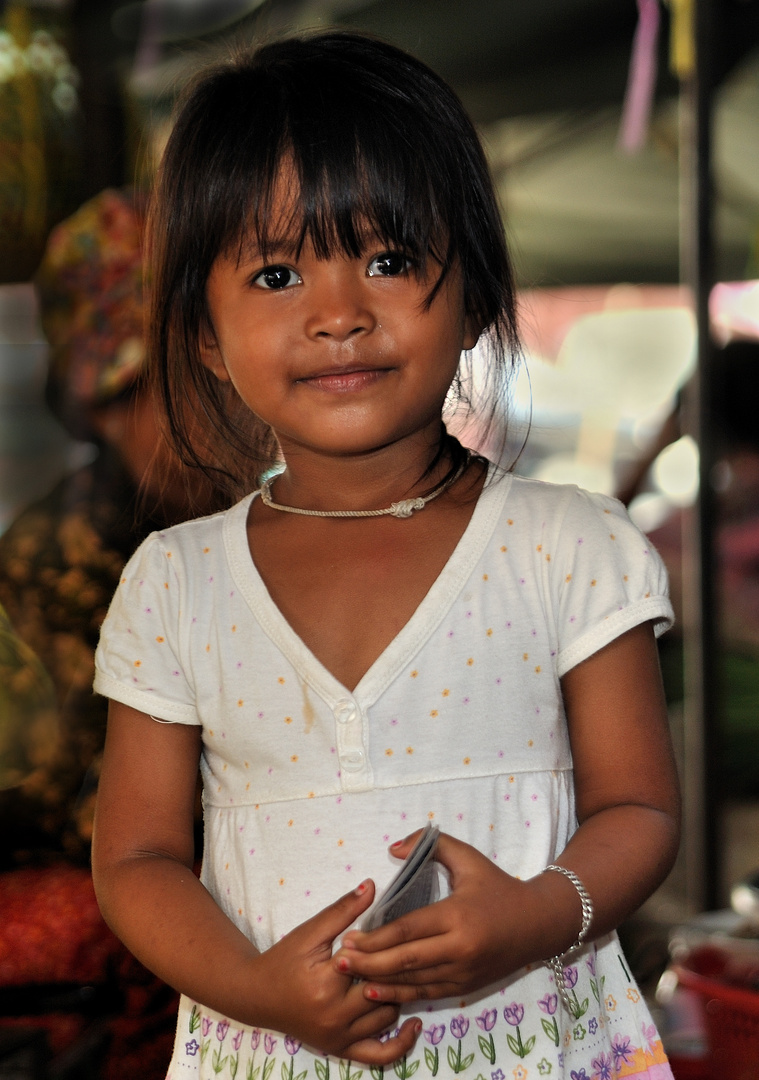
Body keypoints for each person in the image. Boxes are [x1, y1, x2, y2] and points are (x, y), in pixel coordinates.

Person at [91, 31, 681, 1080]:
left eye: (389, 259)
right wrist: (256, 986)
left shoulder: (569, 546)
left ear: (478, 299)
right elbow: (135, 860)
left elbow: (638, 808)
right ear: (206, 340)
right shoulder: (175, 586)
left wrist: (543, 913)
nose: (338, 314)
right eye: (276, 273)